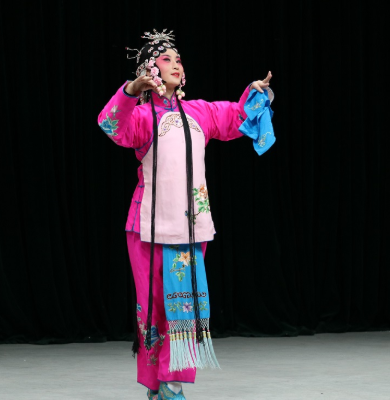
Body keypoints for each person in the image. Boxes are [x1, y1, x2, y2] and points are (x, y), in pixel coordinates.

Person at [97, 29, 274, 400]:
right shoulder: (143, 117)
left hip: (191, 228)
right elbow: (111, 125)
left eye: (178, 59)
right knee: (153, 308)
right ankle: (155, 384)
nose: (176, 64)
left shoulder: (200, 113)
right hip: (148, 226)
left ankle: (172, 383)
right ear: (151, 71)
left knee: (184, 306)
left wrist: (255, 92)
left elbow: (237, 116)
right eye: (167, 59)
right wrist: (130, 91)